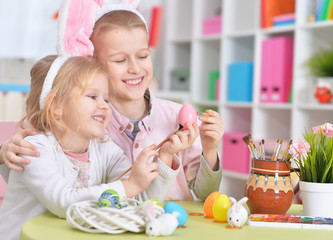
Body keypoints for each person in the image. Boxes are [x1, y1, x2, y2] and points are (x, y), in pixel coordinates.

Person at [0, 1, 224, 201]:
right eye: (120, 60)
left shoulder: (176, 116)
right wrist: (4, 152)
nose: (135, 68)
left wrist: (209, 149)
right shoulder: (79, 121)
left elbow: (203, 193)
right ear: (93, 64)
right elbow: (29, 168)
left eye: (143, 56)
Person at [0, 55, 196, 240]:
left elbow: (138, 202)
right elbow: (63, 202)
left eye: (107, 99)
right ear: (56, 106)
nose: (104, 105)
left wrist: (165, 157)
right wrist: (130, 185)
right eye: (93, 97)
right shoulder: (34, 149)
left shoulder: (106, 150)